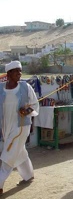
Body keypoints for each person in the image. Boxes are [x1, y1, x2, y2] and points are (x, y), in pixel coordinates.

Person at [0, 61, 39, 195]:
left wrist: (27, 110)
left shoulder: (25, 87)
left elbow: (34, 104)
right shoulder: (0, 88)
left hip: (21, 126)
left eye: (20, 71)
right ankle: (28, 175)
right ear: (9, 73)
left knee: (8, 153)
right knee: (19, 151)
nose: (19, 73)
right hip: (6, 126)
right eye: (16, 71)